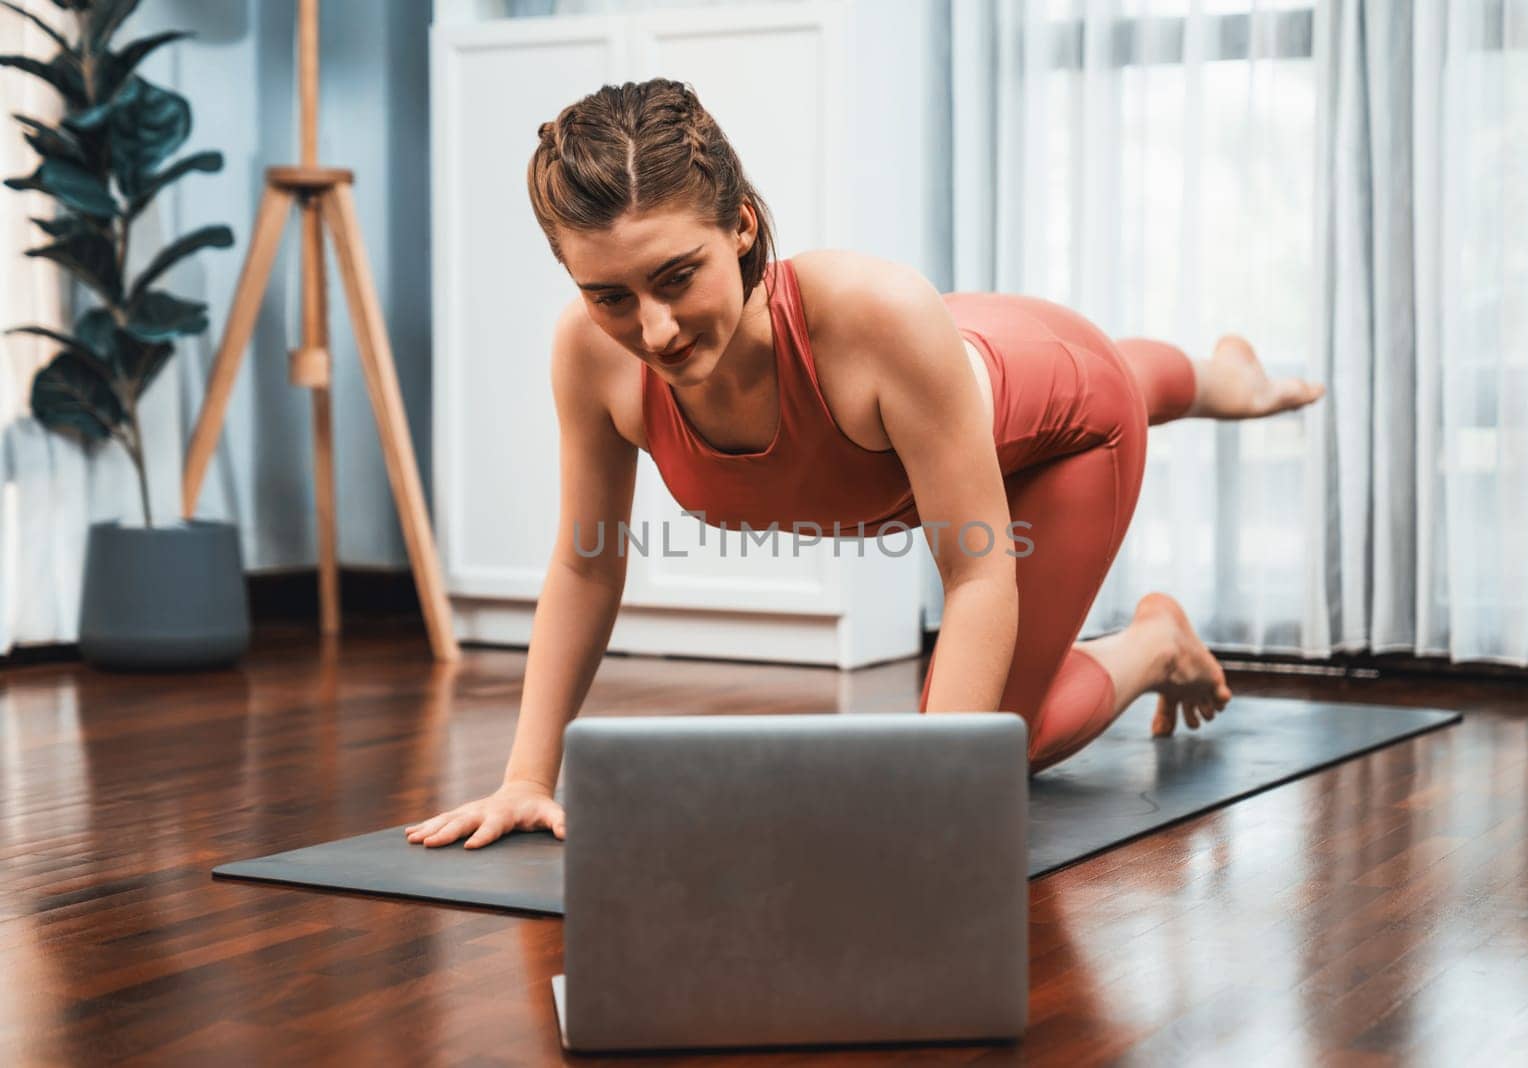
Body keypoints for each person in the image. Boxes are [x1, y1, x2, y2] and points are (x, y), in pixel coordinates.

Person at [406, 79, 1324, 850]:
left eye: (677, 277)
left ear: (741, 226)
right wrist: (528, 776)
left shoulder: (872, 318)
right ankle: (1222, 375)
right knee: (1051, 376)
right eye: (609, 295)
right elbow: (584, 560)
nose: (652, 330)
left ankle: (1154, 642)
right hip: (962, 374)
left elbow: (974, 572)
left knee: (1000, 747)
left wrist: (933, 799)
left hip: (1065, 424)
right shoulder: (591, 355)